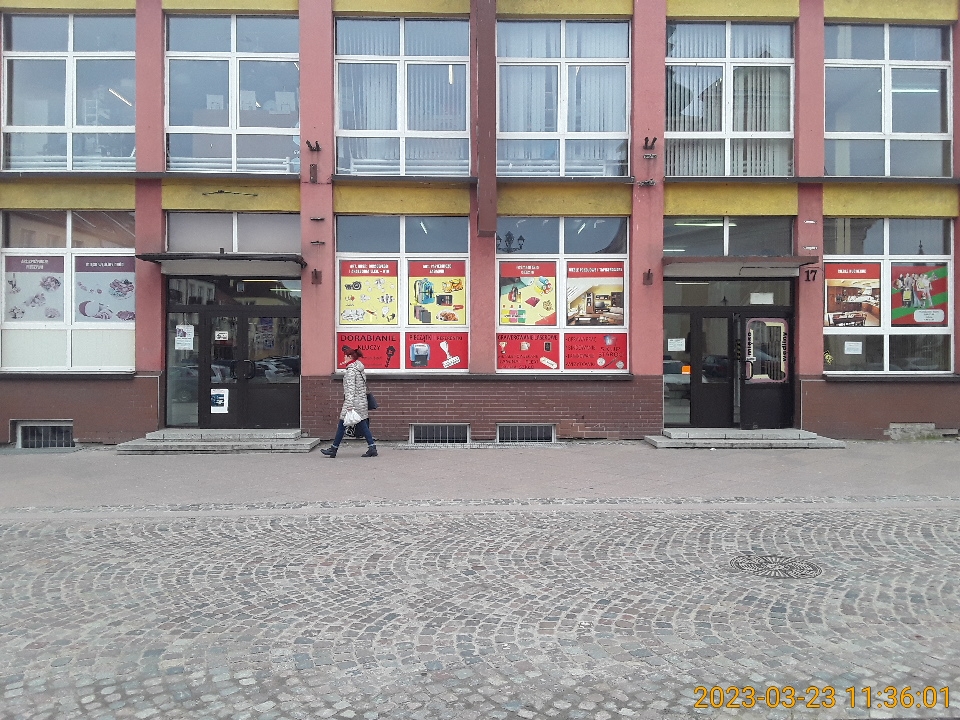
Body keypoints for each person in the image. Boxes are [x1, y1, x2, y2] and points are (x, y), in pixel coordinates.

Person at [320, 346, 377, 458]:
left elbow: (350, 389)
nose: (344, 358)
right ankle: (372, 447)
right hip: (361, 401)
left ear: (350, 357)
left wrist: (349, 405)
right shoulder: (359, 369)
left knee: (342, 424)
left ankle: (334, 449)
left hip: (353, 403)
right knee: (363, 424)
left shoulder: (351, 371)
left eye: (345, 356)